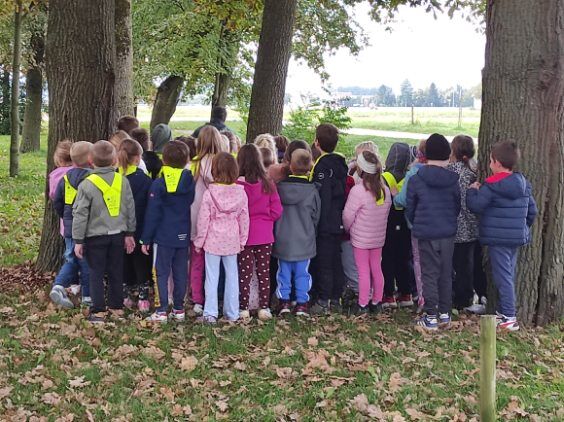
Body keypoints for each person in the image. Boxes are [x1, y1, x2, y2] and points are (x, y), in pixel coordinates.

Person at [467, 140, 537, 331]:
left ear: (497, 162)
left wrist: (472, 191)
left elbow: (476, 206)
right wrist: (521, 227)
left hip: (498, 239)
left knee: (503, 277)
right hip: (516, 237)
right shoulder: (523, 184)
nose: (489, 164)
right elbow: (532, 211)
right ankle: (503, 311)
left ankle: (509, 316)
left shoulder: (491, 186)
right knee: (509, 274)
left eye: (490, 161)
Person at [72, 141, 136, 324]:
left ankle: (99, 310)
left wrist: (78, 240)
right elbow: (130, 208)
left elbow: (80, 214)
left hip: (95, 237)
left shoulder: (86, 184)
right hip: (118, 235)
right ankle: (116, 307)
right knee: (116, 271)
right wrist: (130, 233)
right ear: (115, 160)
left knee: (96, 273)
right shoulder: (123, 181)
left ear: (90, 161)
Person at [406, 134, 461, 331]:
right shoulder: (453, 180)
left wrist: (417, 222)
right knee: (445, 273)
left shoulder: (416, 179)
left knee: (429, 274)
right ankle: (445, 313)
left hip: (426, 232)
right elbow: (456, 205)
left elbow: (410, 207)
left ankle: (431, 315)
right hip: (447, 232)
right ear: (447, 154)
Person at [141, 141, 196, 322]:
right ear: (186, 160)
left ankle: (161, 310)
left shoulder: (158, 184)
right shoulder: (190, 182)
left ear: (163, 160)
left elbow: (153, 213)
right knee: (180, 272)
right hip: (182, 234)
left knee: (160, 273)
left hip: (163, 236)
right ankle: (179, 309)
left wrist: (145, 238)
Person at [194, 153, 249, 324]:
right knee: (232, 276)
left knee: (212, 277)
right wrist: (243, 240)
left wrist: (199, 241)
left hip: (212, 240)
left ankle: (210, 313)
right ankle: (232, 312)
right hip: (232, 240)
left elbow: (203, 220)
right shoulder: (241, 193)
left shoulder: (209, 194)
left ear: (214, 170)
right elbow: (244, 219)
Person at [236, 144, 283, 320]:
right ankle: (264, 307)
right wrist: (266, 218)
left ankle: (243, 307)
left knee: (245, 273)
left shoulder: (237, 185)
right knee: (264, 272)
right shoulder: (268, 184)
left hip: (245, 235)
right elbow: (277, 211)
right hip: (265, 235)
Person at [343, 151, 392, 314]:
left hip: (360, 240)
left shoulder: (358, 191)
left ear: (361, 169)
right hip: (378, 238)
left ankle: (362, 304)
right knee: (376, 269)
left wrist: (348, 229)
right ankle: (377, 301)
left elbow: (348, 216)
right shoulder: (385, 191)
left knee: (363, 271)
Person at [273, 149, 320, 316]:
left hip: (283, 238)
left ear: (290, 166)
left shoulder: (279, 188)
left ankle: (284, 301)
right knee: (303, 273)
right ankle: (301, 303)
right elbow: (316, 215)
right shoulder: (312, 190)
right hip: (304, 239)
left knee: (283, 273)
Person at [309, 124, 348, 314]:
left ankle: (324, 299)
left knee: (325, 261)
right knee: (336, 260)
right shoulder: (341, 163)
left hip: (325, 221)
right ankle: (336, 297)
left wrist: (318, 223)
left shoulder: (322, 166)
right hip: (338, 218)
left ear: (317, 142)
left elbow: (322, 196)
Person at [51, 141, 93, 308]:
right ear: (90, 159)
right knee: (86, 262)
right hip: (86, 229)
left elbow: (57, 202)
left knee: (71, 258)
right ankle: (87, 296)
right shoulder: (91, 179)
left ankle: (59, 286)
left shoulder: (65, 179)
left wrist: (66, 218)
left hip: (69, 228)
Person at [117, 139, 153, 313]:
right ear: (138, 158)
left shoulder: (115, 177)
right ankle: (143, 298)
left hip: (118, 227)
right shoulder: (145, 180)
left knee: (122, 260)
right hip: (140, 227)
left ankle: (124, 295)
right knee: (141, 261)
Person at [189, 126, 222, 315]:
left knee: (197, 260)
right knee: (216, 262)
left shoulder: (193, 165)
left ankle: (197, 298)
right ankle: (215, 297)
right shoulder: (224, 164)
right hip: (219, 220)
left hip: (196, 216)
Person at [381, 142, 417, 309]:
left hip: (388, 221)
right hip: (405, 221)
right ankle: (406, 292)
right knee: (404, 257)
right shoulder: (410, 176)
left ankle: (388, 294)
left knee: (388, 257)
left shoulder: (385, 177)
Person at [446, 135, 480, 310]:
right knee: (466, 265)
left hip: (454, 225)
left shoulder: (451, 173)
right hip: (470, 227)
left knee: (457, 265)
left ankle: (460, 297)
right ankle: (465, 296)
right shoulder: (473, 173)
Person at [393, 140, 427, 311]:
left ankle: (423, 298)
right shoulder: (446, 172)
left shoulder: (414, 173)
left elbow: (403, 200)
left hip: (417, 224)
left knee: (419, 261)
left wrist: (394, 195)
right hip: (441, 226)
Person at [49, 140, 74, 238]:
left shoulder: (55, 175)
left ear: (59, 159)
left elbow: (53, 195)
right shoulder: (83, 172)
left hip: (66, 217)